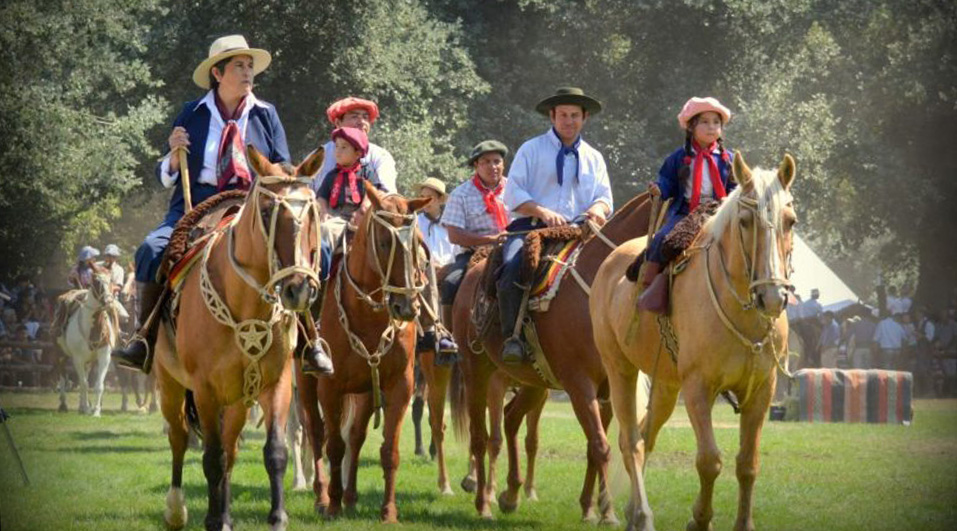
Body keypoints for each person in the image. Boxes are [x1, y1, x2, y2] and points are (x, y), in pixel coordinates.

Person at [110, 35, 330, 374]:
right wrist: (172, 154)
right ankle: (144, 338)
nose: (247, 73)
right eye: (239, 66)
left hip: (255, 208)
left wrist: (284, 182)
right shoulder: (191, 113)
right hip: (196, 206)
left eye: (249, 66)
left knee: (320, 253)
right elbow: (164, 174)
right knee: (150, 250)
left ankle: (309, 341)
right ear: (217, 73)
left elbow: (284, 166)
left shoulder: (266, 115)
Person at [499, 88, 612, 363]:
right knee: (511, 268)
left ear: (584, 118)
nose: (569, 121)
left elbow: (605, 198)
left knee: (615, 269)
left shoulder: (594, 157)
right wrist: (543, 211)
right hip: (531, 229)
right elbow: (512, 193)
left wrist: (596, 210)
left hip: (579, 233)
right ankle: (512, 338)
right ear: (552, 116)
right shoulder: (531, 149)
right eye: (563, 115)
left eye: (575, 115)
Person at [638, 97, 736, 313]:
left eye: (716, 122)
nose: (712, 127)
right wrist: (658, 189)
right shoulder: (678, 157)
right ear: (691, 126)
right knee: (663, 239)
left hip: (720, 211)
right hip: (687, 212)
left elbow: (735, 187)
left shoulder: (729, 159)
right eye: (705, 122)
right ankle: (651, 284)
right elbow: (667, 181)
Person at [441, 140, 510, 330]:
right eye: (486, 162)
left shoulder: (516, 190)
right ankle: (448, 338)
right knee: (450, 283)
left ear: (503, 164)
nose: (492, 166)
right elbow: (454, 235)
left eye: (497, 161)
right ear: (476, 166)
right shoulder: (460, 194)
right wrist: (489, 240)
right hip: (473, 253)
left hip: (512, 248)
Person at [414, 178, 460, 364]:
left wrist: (446, 267)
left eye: (430, 197)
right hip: (423, 273)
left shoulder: (451, 223)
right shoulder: (415, 222)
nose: (425, 201)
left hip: (449, 270)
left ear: (440, 200)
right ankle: (430, 332)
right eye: (422, 197)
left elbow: (457, 250)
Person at [312, 96, 397, 195]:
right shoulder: (318, 156)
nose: (362, 122)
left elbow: (387, 194)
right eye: (354, 116)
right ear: (338, 123)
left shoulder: (380, 156)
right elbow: (303, 192)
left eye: (365, 117)